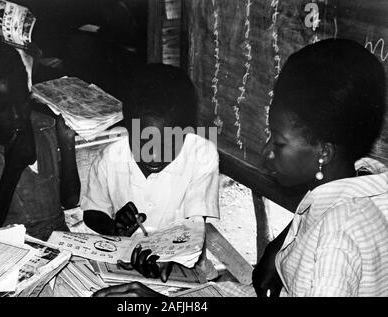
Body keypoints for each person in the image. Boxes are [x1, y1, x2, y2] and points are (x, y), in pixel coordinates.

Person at [94, 38, 388, 297]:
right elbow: (322, 208)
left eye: (280, 142)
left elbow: (331, 243)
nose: (267, 152)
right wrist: (281, 247)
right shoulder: (360, 181)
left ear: (324, 152)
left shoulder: (335, 246)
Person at [82, 63, 220, 281]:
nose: (154, 156)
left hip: (184, 267)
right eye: (143, 142)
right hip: (123, 265)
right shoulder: (110, 158)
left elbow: (194, 224)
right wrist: (113, 228)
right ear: (127, 128)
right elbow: (92, 212)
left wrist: (169, 257)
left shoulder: (202, 155)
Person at [0, 42, 80, 241]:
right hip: (10, 249)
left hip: (60, 241)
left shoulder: (46, 126)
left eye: (22, 100)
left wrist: (67, 145)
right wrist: (12, 169)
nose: (16, 116)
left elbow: (70, 200)